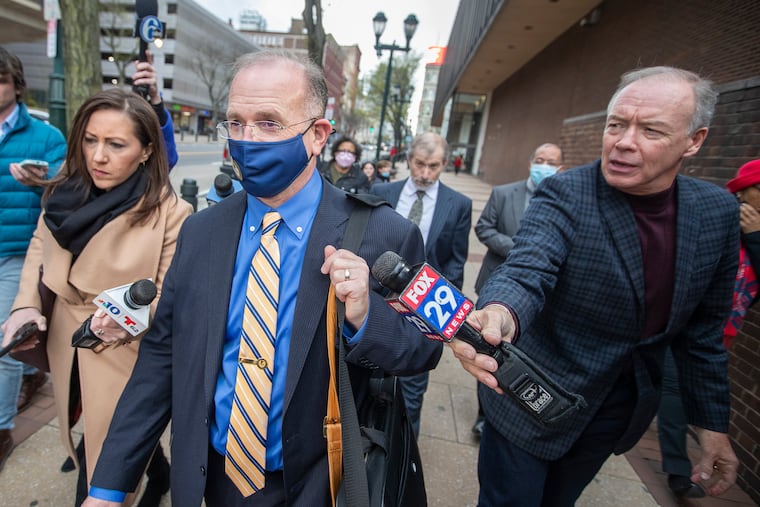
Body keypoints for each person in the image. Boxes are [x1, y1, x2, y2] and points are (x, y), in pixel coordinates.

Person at [80, 49, 441, 507]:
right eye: (236, 123)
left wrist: (366, 316)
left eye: (269, 122)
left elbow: (424, 347)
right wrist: (107, 488)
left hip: (319, 483)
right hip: (210, 480)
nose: (247, 140)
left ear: (317, 135)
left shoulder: (386, 233)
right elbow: (161, 360)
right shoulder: (202, 231)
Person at [449, 66, 740, 505]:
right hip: (530, 398)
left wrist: (712, 426)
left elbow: (703, 336)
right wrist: (499, 313)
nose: (624, 141)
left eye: (651, 130)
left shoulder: (717, 213)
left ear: (694, 140)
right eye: (616, 124)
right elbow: (528, 270)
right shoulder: (566, 194)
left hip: (614, 413)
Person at [1, 88, 192, 506]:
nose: (98, 156)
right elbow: (40, 247)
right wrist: (26, 305)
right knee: (89, 419)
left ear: (145, 151)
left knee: (104, 462)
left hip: (120, 348)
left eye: (116, 144)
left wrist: (124, 318)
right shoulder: (61, 192)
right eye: (90, 140)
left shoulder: (172, 212)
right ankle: (158, 474)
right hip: (65, 336)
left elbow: (169, 293)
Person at [657, 158, 760, 499]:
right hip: (685, 324)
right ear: (744, 191)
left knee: (690, 391)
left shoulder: (756, 231)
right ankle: (677, 469)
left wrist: (756, 238)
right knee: (673, 393)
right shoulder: (719, 217)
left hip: (722, 331)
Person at [371, 132, 472, 437]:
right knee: (371, 380)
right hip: (376, 303)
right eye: (419, 164)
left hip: (426, 313)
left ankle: (405, 451)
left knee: (412, 393)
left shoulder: (458, 205)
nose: (425, 173)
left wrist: (445, 320)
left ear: (444, 164)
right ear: (409, 159)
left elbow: (455, 262)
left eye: (434, 166)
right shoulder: (382, 191)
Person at [0, 45, 66, 471]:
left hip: (18, 252)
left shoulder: (46, 136)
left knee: (7, 338)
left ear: (16, 85)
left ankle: (3, 428)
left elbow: (68, 194)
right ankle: (30, 374)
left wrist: (42, 182)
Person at [470, 142, 563, 437]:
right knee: (487, 349)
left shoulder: (564, 200)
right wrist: (521, 251)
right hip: (496, 286)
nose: (544, 165)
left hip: (541, 298)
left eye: (551, 161)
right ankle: (485, 412)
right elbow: (484, 228)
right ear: (530, 162)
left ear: (560, 168)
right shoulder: (503, 193)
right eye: (540, 159)